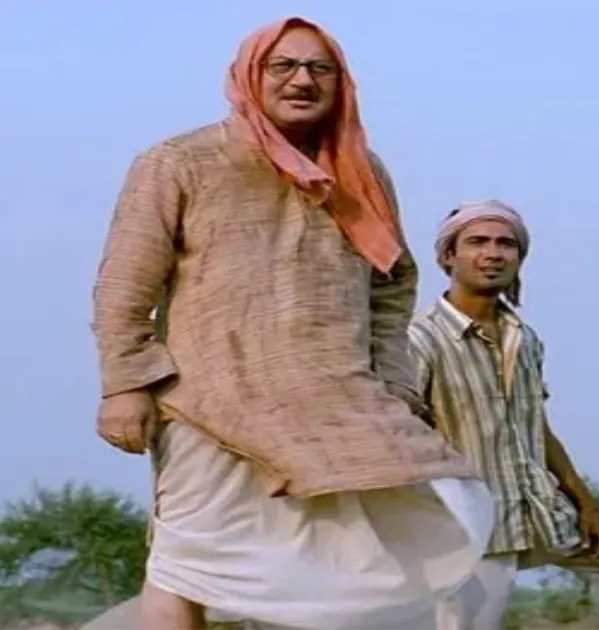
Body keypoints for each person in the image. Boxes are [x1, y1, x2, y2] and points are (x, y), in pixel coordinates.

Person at [90, 17, 494, 630]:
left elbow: (391, 289)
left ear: (340, 83)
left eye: (318, 69)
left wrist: (395, 386)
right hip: (210, 405)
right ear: (250, 76)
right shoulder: (179, 161)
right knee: (185, 562)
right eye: (283, 66)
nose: (302, 81)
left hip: (337, 408)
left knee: (362, 554)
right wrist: (124, 385)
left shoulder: (362, 172)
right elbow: (125, 285)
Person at [408, 200, 599, 629]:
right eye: (477, 242)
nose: (493, 253)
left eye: (505, 244)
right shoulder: (420, 339)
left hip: (542, 509)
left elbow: (536, 427)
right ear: (448, 256)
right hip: (473, 529)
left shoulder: (523, 337)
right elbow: (404, 433)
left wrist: (587, 505)